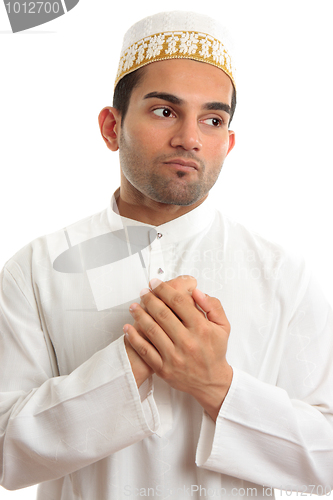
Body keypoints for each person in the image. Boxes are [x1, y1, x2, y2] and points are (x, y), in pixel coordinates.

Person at [0, 10, 333, 500]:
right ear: (112, 127)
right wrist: (130, 365)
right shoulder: (35, 268)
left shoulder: (283, 273)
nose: (190, 138)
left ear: (229, 143)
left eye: (213, 119)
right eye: (164, 111)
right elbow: (7, 454)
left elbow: (325, 462)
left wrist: (216, 385)